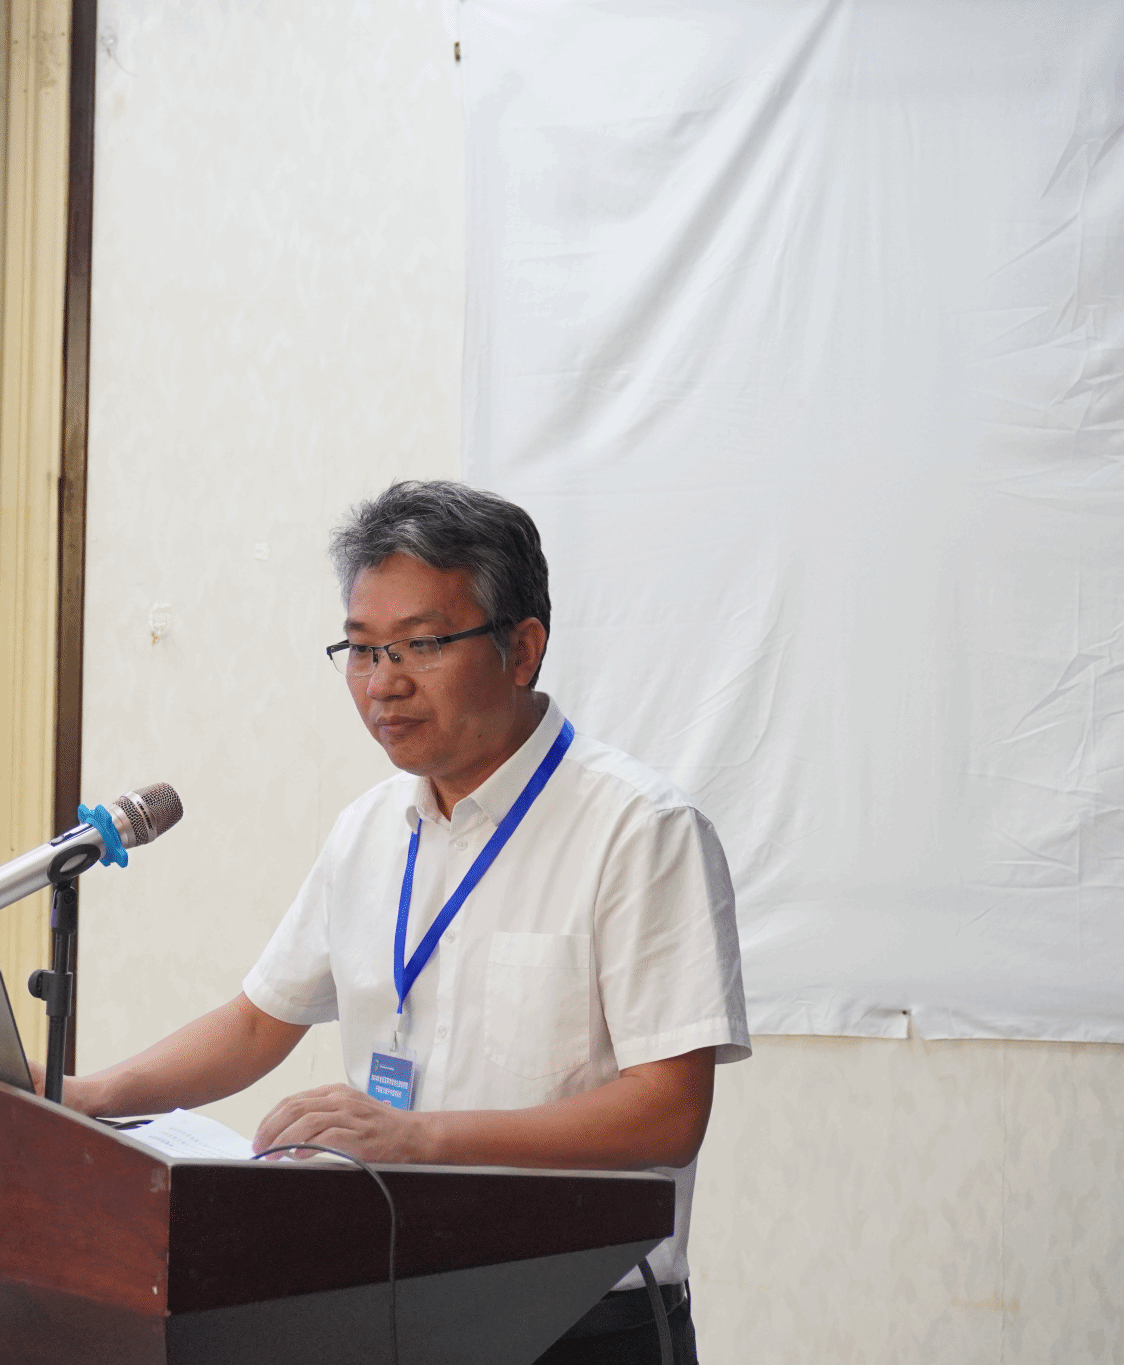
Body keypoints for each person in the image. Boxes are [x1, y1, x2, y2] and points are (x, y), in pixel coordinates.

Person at [49, 482, 747, 1364]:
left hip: (579, 1323)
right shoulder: (370, 829)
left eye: (422, 644)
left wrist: (421, 1140)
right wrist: (87, 1096)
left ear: (523, 648)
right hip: (387, 1308)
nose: (384, 683)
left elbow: (668, 1110)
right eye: (363, 648)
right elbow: (258, 1021)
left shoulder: (641, 831)